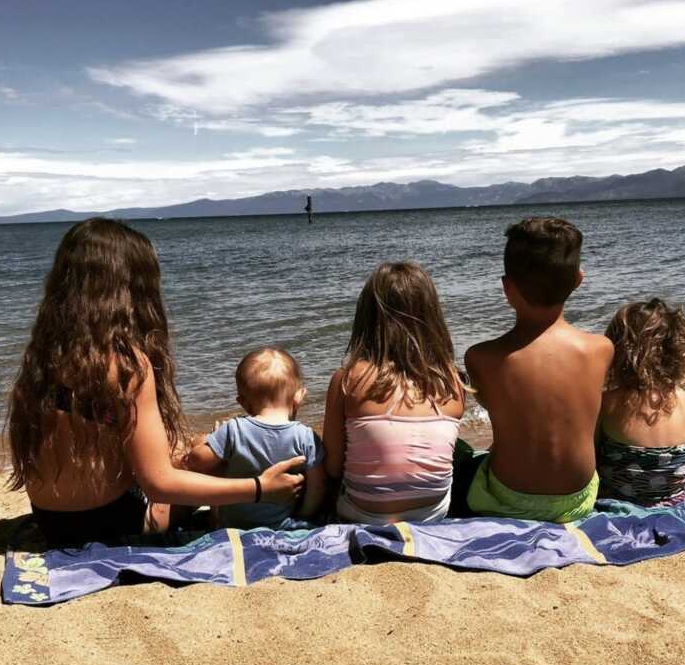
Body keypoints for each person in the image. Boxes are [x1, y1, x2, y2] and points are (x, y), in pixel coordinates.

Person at [6, 218, 304, 547]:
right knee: (210, 460)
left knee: (190, 452)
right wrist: (260, 487)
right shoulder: (127, 366)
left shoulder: (44, 355)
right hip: (113, 525)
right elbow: (159, 485)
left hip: (52, 522)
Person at [462, 217, 613, 523]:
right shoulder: (600, 350)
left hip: (504, 498)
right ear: (578, 280)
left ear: (507, 287)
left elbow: (501, 409)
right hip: (578, 500)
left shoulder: (481, 357)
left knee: (464, 459)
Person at [322, 262, 465, 524]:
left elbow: (332, 467)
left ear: (366, 317)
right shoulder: (453, 381)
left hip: (362, 513)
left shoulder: (346, 380)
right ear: (432, 316)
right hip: (432, 514)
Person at [183, 347, 325, 530]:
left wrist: (206, 439)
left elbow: (196, 461)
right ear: (299, 397)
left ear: (243, 403)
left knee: (205, 448)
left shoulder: (233, 429)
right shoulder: (306, 437)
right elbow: (318, 486)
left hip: (234, 525)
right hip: (282, 525)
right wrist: (304, 515)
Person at [597, 298, 685, 504]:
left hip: (620, 496)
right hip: (674, 497)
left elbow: (592, 456)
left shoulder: (606, 403)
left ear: (617, 351)